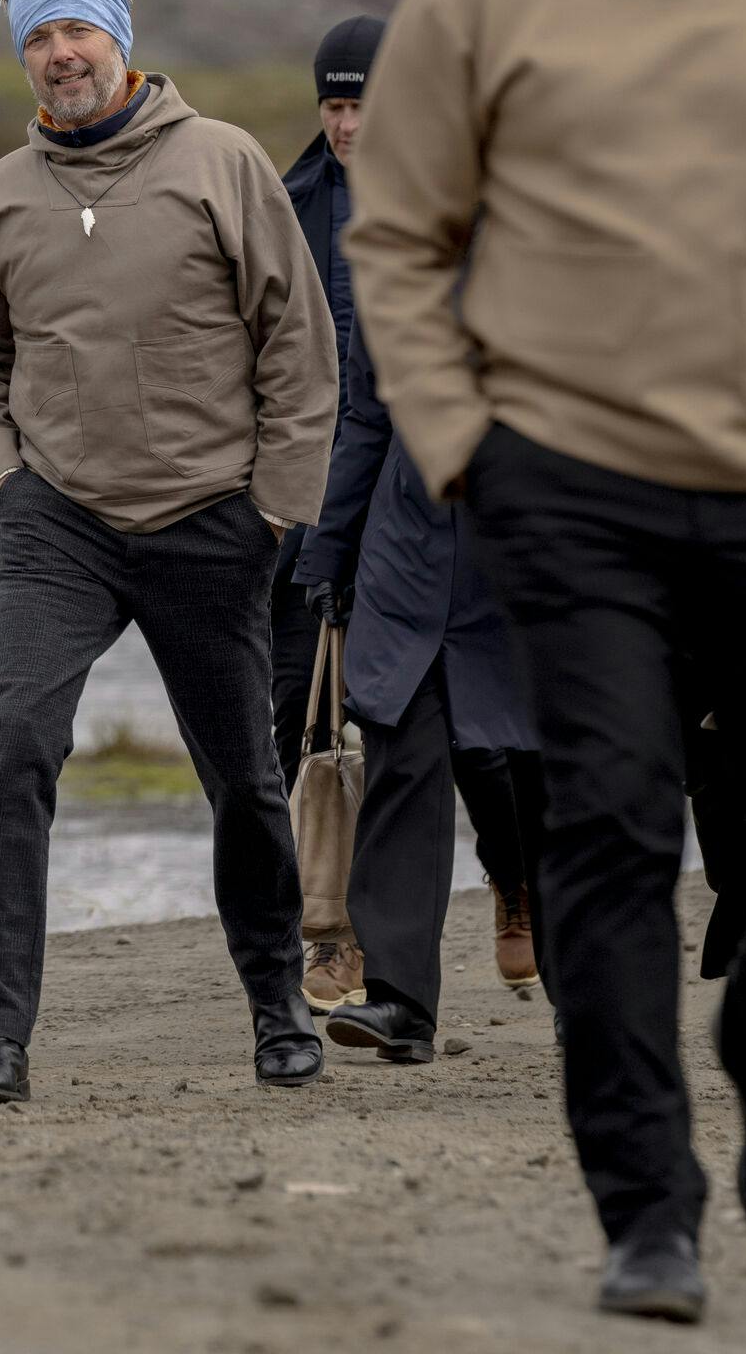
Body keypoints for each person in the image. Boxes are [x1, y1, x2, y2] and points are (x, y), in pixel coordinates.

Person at [343, 0, 746, 1321]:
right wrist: (459, 449)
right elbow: (397, 235)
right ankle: (647, 1206)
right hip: (568, 487)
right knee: (606, 834)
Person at [0, 0, 337, 1103]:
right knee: (15, 743)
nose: (59, 56)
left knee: (242, 780)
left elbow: (300, 347)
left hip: (213, 517)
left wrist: (275, 509)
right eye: (38, 39)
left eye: (76, 31)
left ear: (119, 35)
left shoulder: (222, 162)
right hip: (60, 522)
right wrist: (2, 477)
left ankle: (277, 1008)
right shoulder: (0, 196)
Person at [277, 19, 539, 1014]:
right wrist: (325, 545)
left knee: (503, 754)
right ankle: (385, 982)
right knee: (389, 745)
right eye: (333, 105)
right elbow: (361, 409)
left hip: (512, 542)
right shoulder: (316, 218)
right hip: (382, 532)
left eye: (367, 104)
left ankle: (524, 887)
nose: (348, 125)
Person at [295, 313, 544, 1060]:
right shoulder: (397, 272)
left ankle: (588, 992)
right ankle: (401, 1003)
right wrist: (327, 555)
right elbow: (365, 421)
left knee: (549, 782)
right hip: (408, 561)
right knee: (405, 763)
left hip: (535, 554)